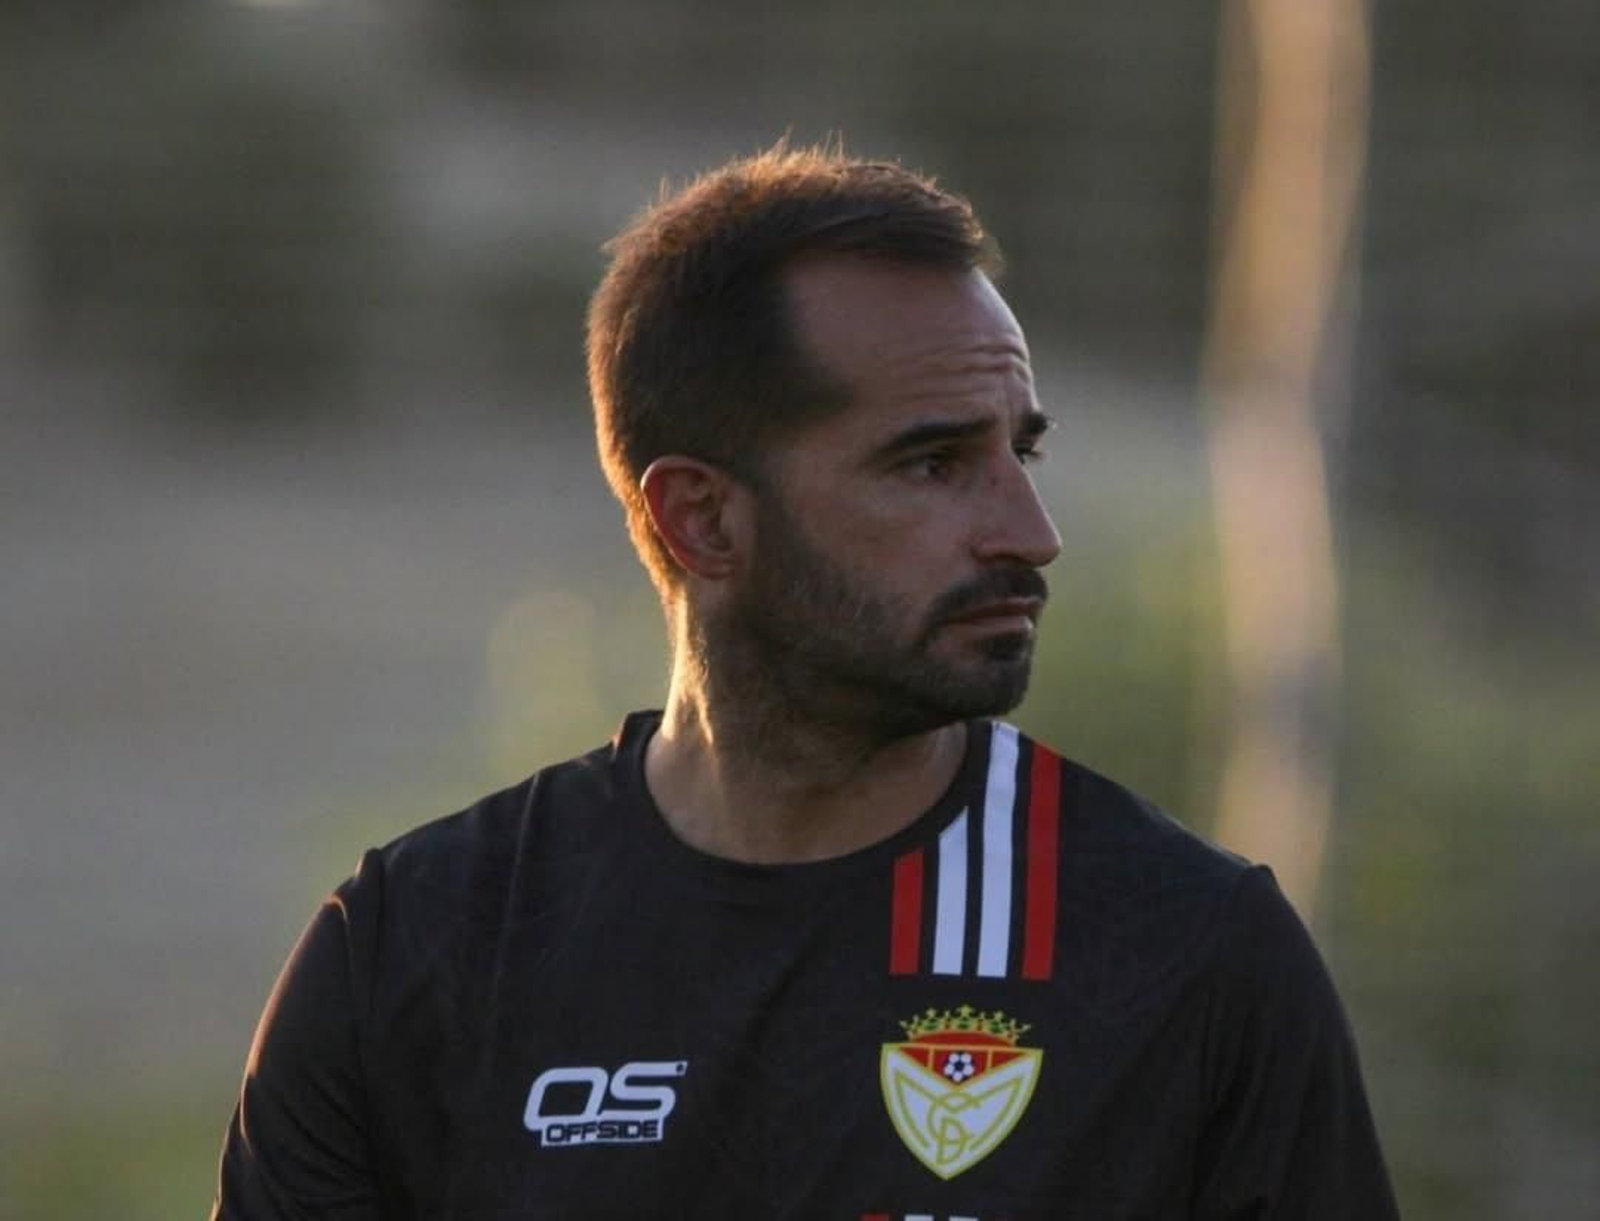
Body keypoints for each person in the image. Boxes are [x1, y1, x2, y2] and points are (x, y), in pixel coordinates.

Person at [213, 146, 1399, 1220]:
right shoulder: (414, 955)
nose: (1028, 531)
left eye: (1019, 451)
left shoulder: (1187, 955)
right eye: (931, 463)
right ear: (703, 519)